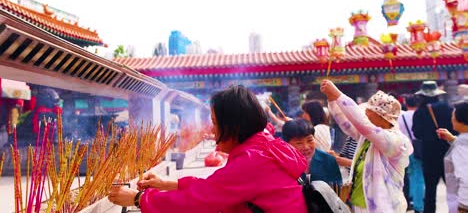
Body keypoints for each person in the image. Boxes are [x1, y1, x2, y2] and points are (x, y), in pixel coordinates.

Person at [108, 85, 308, 213]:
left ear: (233, 126)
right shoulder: (264, 145)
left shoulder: (253, 160)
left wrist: (138, 199)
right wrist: (166, 183)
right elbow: (217, 187)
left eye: (215, 122)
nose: (212, 129)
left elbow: (199, 201)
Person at [321, 79, 412, 213]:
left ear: (382, 117)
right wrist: (332, 99)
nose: (365, 114)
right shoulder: (367, 138)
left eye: (369, 111)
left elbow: (362, 124)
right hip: (360, 205)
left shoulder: (394, 141)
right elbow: (345, 122)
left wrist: (337, 94)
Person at [412, 81, 456, 213]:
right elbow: (456, 129)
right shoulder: (447, 108)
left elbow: (417, 133)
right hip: (448, 153)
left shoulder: (420, 112)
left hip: (429, 156)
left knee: (430, 190)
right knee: (453, 191)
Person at [282, 118, 342, 185]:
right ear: (287, 144)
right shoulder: (282, 163)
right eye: (299, 143)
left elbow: (337, 188)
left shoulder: (328, 160)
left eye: (310, 140)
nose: (306, 147)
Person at [436, 100, 468, 213]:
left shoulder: (461, 145)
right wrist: (453, 139)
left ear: (462, 121)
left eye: (453, 116)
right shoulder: (462, 141)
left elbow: (465, 176)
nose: (452, 119)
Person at [398, 94, 424, 213]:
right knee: (419, 174)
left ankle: (411, 197)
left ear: (405, 103)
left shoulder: (400, 116)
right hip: (419, 147)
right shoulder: (420, 114)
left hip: (405, 148)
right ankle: (418, 203)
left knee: (409, 173)